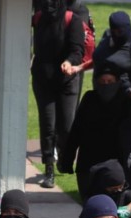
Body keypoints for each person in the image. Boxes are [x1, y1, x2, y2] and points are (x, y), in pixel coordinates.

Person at [31, 0, 85, 189]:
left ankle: (64, 158)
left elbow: (78, 50)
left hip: (66, 81)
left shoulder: (73, 20)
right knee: (48, 126)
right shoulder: (37, 19)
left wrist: (70, 62)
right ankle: (48, 169)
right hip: (43, 80)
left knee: (66, 126)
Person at [58, 66, 131, 198]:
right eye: (102, 82)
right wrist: (67, 159)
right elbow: (77, 129)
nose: (106, 85)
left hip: (115, 164)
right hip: (89, 162)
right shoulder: (89, 99)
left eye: (110, 82)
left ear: (117, 82)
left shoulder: (126, 102)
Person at [78, 12, 131, 99]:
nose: (117, 34)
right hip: (106, 95)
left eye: (120, 31)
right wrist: (79, 68)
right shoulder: (107, 37)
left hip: (129, 98)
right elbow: (102, 59)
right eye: (115, 31)